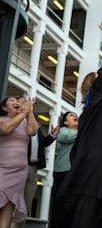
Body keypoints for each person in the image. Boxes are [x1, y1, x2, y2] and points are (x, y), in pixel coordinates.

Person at [57, 22, 102, 228]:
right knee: (87, 213)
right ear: (96, 83)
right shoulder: (98, 96)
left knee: (98, 213)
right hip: (96, 165)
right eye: (100, 77)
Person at [0, 96, 37, 227]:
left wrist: (29, 110)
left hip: (19, 173)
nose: (16, 102)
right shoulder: (1, 120)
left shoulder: (24, 121)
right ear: (4, 108)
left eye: (17, 101)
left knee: (9, 206)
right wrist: (23, 112)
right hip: (2, 170)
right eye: (11, 101)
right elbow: (6, 129)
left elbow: (33, 131)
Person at [18, 121, 59, 224]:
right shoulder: (21, 127)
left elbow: (43, 143)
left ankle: (20, 224)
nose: (36, 122)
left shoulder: (37, 130)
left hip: (33, 168)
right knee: (14, 199)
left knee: (27, 203)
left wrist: (52, 135)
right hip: (21, 165)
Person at [49, 111, 78, 228]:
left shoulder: (81, 132)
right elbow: (69, 137)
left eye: (76, 115)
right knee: (60, 207)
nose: (75, 116)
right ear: (66, 122)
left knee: (72, 209)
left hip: (76, 174)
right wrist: (84, 128)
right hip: (63, 173)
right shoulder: (63, 131)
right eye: (71, 115)